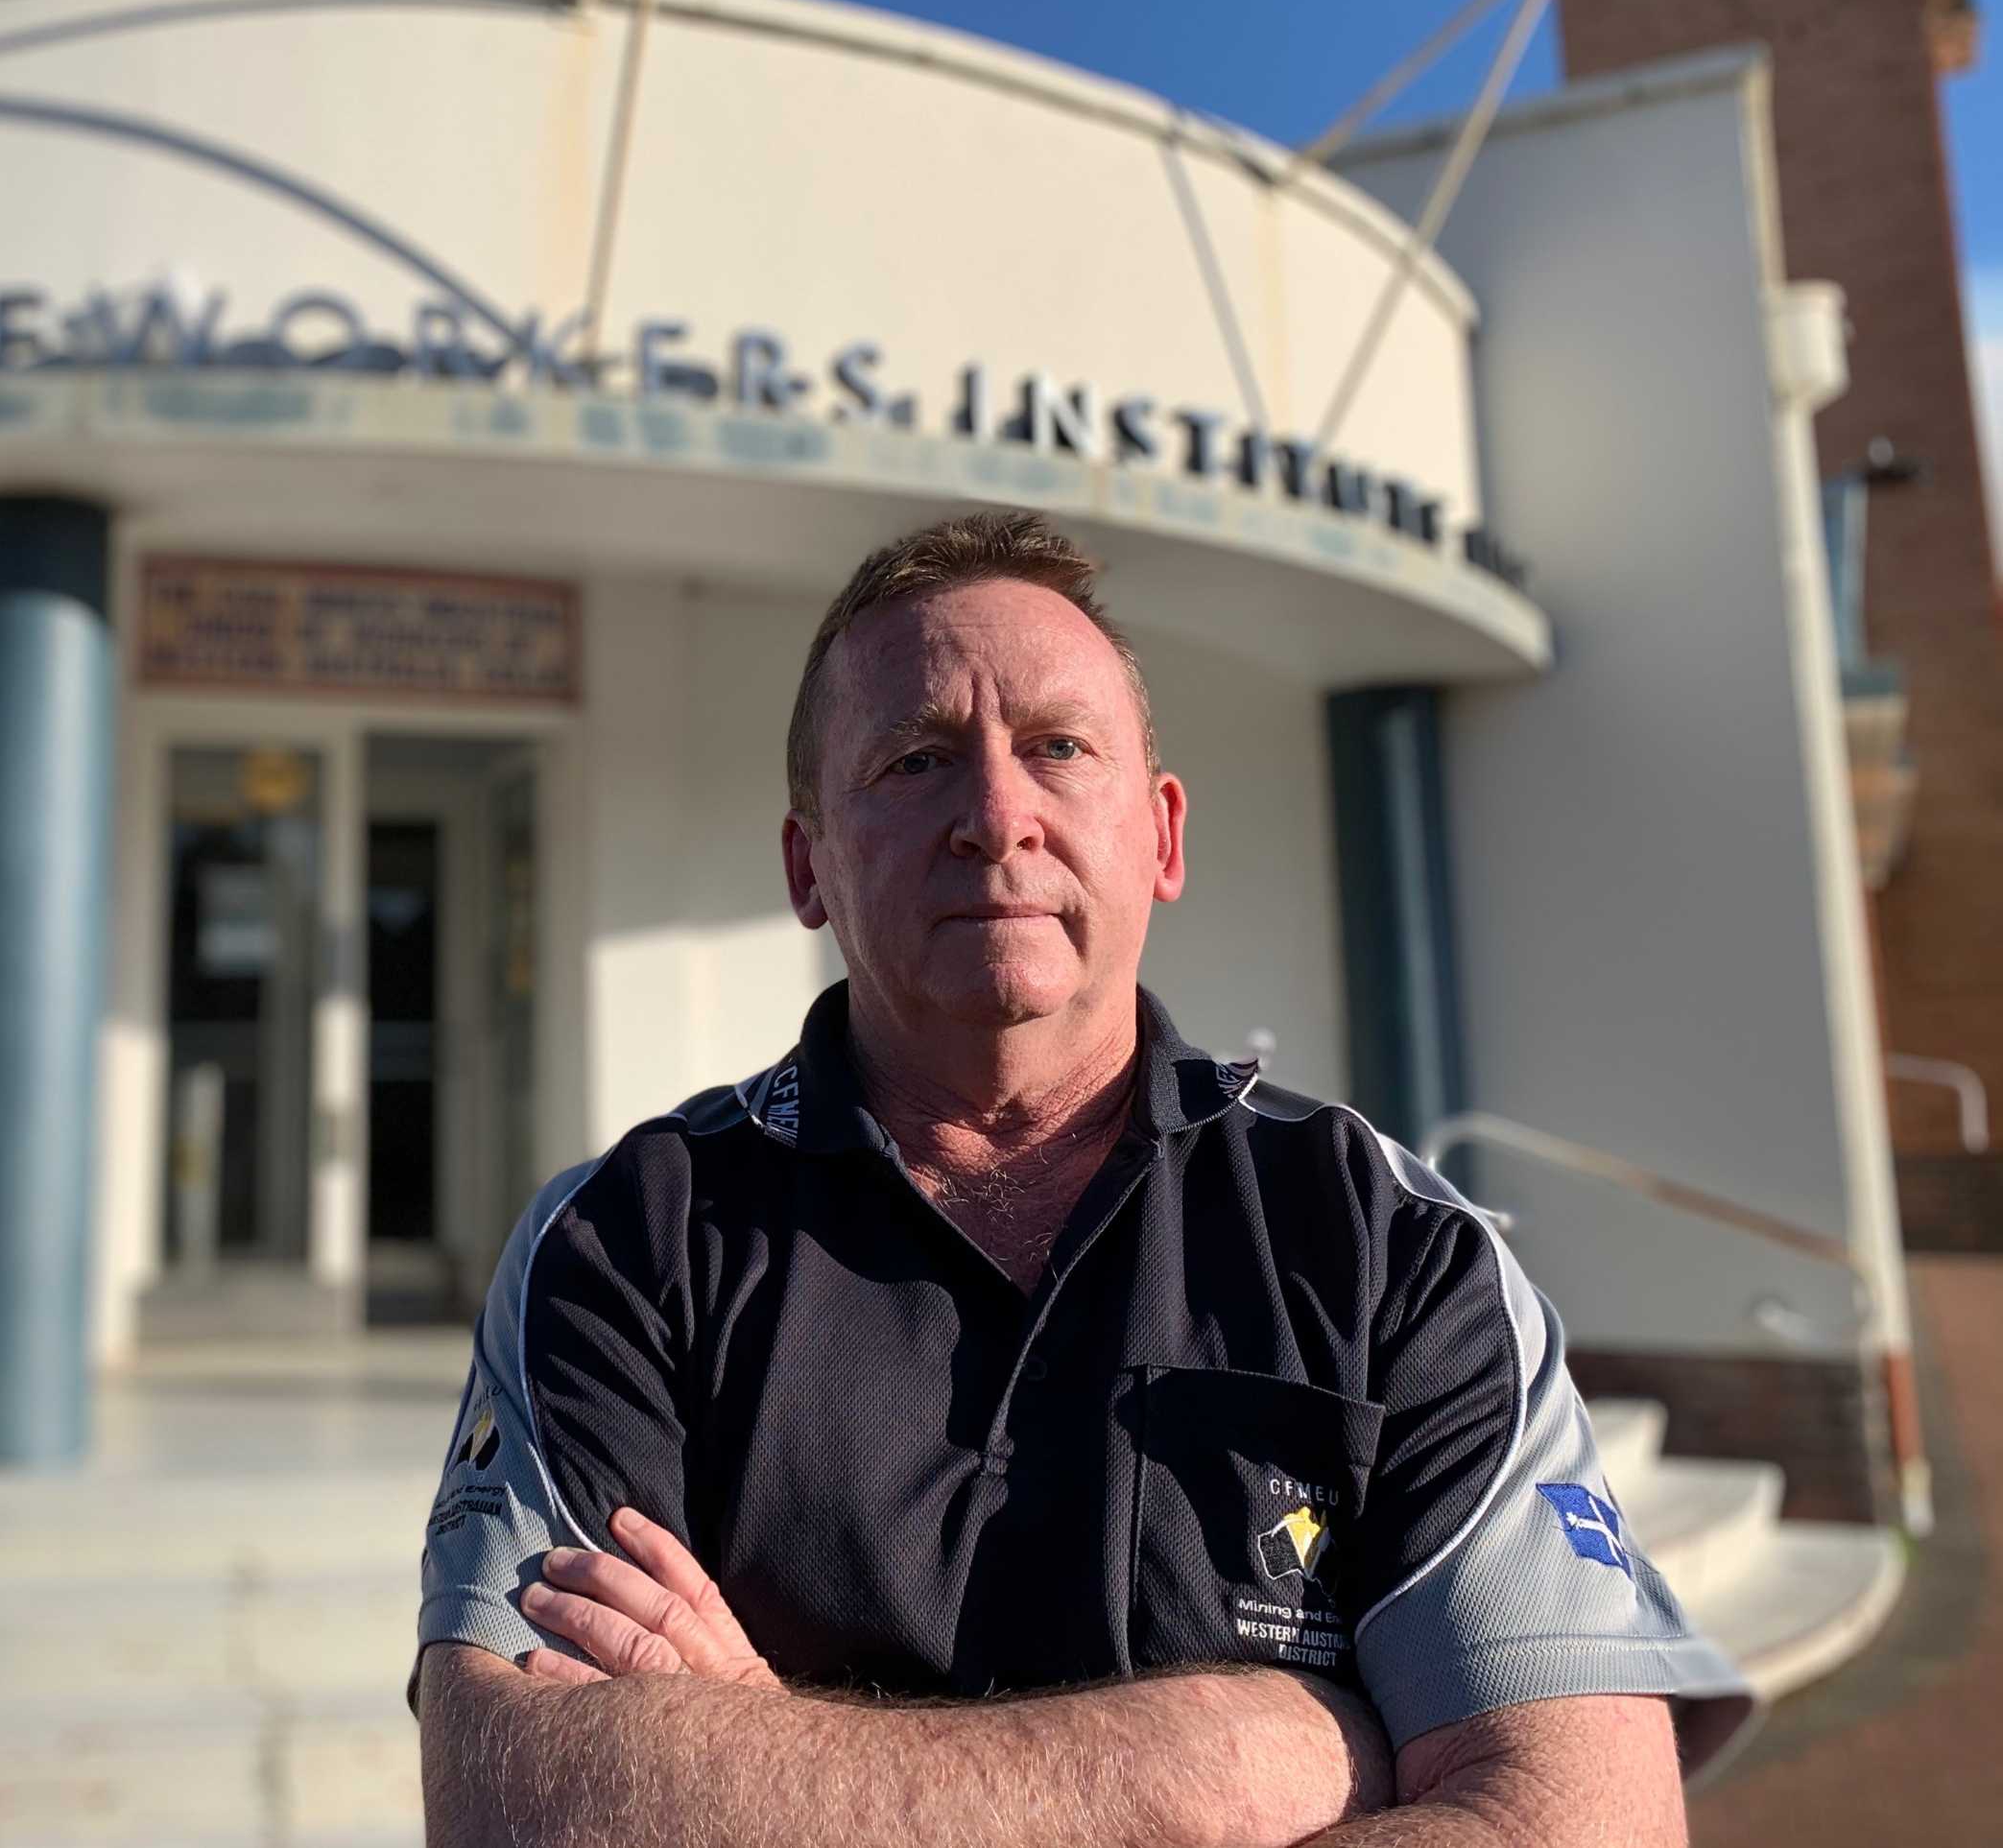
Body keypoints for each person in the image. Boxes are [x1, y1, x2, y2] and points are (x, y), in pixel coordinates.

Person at [414, 510, 1749, 1846]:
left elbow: (1584, 1822)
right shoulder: (627, 1245)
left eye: (1057, 746)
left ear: (1162, 836)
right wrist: (1235, 1761)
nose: (996, 816)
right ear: (807, 864)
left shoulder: (1392, 1247)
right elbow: (520, 1799)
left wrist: (750, 1751)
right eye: (917, 757)